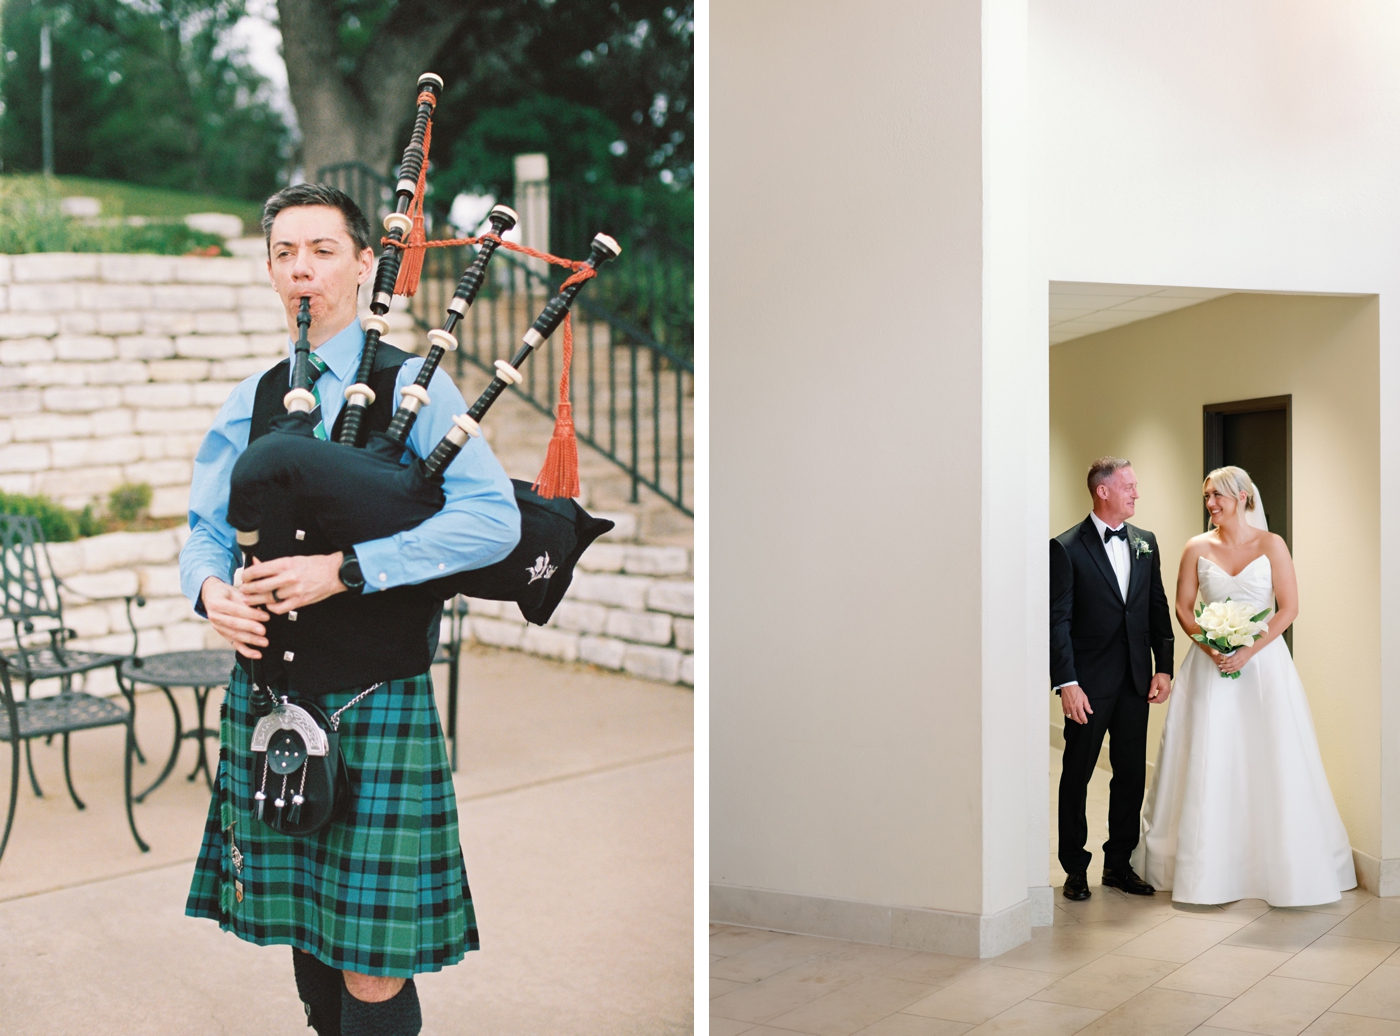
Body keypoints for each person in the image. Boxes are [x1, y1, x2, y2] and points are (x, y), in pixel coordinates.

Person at [179, 183, 520, 1036]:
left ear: (368, 266)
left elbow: (492, 520)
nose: (303, 270)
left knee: (371, 963)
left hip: (376, 700)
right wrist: (211, 591)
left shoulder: (414, 384)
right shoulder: (251, 398)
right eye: (286, 253)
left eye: (324, 251)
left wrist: (347, 570)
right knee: (308, 936)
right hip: (269, 702)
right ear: (268, 270)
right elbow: (205, 529)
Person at [1136, 466, 1355, 905]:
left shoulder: (1272, 545)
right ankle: (1203, 866)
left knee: (1270, 755)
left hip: (1263, 667)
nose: (1211, 504)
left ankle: (1274, 867)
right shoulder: (1196, 547)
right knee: (1207, 753)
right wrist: (1210, 646)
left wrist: (1248, 649)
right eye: (1206, 497)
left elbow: (1289, 608)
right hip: (1208, 665)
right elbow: (1182, 608)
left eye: (1217, 496)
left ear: (1243, 498)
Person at [1050, 456, 1174, 901]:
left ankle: (1118, 864)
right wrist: (1067, 682)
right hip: (1087, 683)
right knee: (1077, 775)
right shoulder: (1066, 547)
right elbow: (1057, 621)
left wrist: (1163, 666)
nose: (1136, 493)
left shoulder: (1146, 542)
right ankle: (1074, 868)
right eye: (1129, 486)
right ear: (1103, 491)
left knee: (1129, 775)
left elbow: (1155, 606)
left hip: (1135, 682)